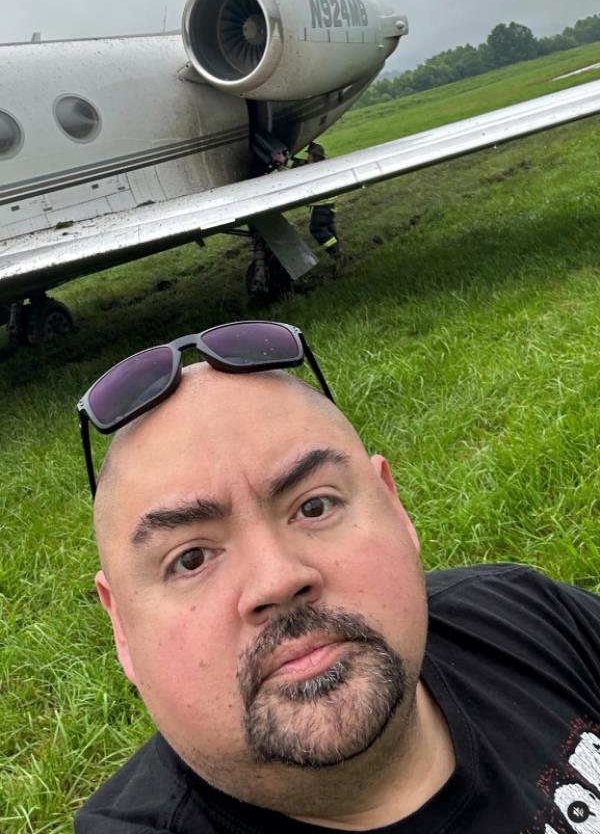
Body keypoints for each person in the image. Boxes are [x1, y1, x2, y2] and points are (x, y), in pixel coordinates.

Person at [75, 321, 600, 833]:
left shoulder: (526, 614)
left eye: (315, 505)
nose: (277, 579)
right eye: (190, 559)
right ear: (121, 626)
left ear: (395, 509)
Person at [272, 141, 342, 260]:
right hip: (328, 205)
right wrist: (284, 162)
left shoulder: (312, 168)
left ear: (314, 156)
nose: (307, 157)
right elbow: (299, 164)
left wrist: (282, 160)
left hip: (321, 206)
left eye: (309, 155)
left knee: (316, 229)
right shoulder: (320, 165)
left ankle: (336, 253)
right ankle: (337, 251)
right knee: (328, 229)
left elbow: (299, 167)